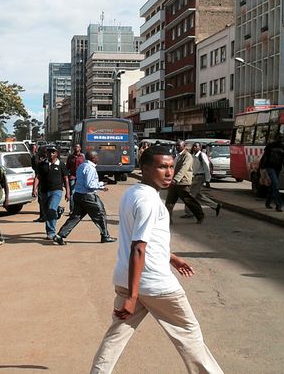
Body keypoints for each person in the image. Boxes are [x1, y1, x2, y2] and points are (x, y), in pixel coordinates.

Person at [90, 146, 223, 373]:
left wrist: (171, 258)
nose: (169, 172)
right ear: (145, 169)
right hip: (156, 286)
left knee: (116, 336)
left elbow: (145, 241)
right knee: (189, 334)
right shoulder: (150, 201)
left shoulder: (133, 193)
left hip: (128, 279)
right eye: (162, 167)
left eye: (171, 167)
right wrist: (133, 296)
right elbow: (138, 248)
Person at [53, 151, 116, 245]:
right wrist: (101, 185)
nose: (98, 158)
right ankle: (105, 236)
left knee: (75, 217)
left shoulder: (82, 166)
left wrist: (101, 185)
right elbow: (89, 185)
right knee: (101, 213)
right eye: (97, 156)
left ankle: (60, 235)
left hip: (78, 195)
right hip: (88, 196)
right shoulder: (90, 168)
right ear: (93, 158)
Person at [33, 145, 70, 240]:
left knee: (51, 209)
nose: (51, 154)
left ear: (57, 154)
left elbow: (66, 179)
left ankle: (51, 232)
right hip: (44, 191)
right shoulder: (42, 165)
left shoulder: (61, 164)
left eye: (53, 152)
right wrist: (34, 189)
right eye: (49, 152)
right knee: (47, 212)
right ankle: (58, 210)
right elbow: (37, 177)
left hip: (56, 191)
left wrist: (68, 192)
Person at [165, 141, 205, 224]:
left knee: (189, 201)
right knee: (169, 202)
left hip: (182, 183)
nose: (176, 147)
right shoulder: (177, 156)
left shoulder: (187, 156)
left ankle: (200, 215)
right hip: (174, 183)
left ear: (184, 146)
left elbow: (184, 168)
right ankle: (167, 220)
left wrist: (176, 179)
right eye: (176, 145)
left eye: (178, 146)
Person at [183, 143, 220, 219]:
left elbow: (206, 167)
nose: (195, 147)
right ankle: (215, 205)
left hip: (200, 176)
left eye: (197, 146)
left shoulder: (202, 155)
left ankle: (189, 212)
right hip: (194, 176)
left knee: (190, 195)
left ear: (200, 147)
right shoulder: (193, 156)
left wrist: (207, 180)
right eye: (194, 146)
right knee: (198, 195)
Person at [260, 136, 284, 212]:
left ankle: (268, 202)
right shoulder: (270, 145)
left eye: (282, 138)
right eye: (279, 138)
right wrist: (261, 166)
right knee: (275, 184)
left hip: (277, 168)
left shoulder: (283, 147)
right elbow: (265, 156)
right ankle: (278, 205)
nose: (281, 140)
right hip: (270, 167)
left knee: (273, 186)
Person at [66, 143, 85, 214]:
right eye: (75, 147)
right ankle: (72, 209)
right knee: (72, 193)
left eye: (77, 147)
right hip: (72, 176)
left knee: (81, 193)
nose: (76, 148)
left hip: (81, 178)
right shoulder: (70, 157)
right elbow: (67, 167)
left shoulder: (83, 157)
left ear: (80, 148)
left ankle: (81, 209)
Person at [31, 145, 48, 223]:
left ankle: (45, 215)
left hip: (46, 180)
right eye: (44, 151)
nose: (45, 153)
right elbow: (36, 167)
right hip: (40, 179)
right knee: (41, 199)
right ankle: (43, 216)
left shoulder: (47, 158)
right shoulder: (36, 157)